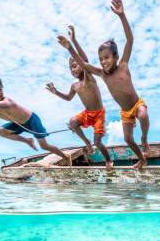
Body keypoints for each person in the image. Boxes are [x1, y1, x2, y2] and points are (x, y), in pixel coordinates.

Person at [57, 0, 150, 169]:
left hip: (137, 104)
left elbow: (130, 39)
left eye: (106, 58)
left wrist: (122, 15)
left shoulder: (123, 65)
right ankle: (142, 159)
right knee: (128, 139)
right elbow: (84, 64)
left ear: (115, 57)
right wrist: (69, 48)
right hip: (125, 112)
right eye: (100, 59)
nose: (103, 62)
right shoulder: (102, 74)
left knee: (143, 115)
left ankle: (144, 138)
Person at [47, 25, 113, 170]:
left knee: (98, 142)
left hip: (99, 114)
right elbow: (68, 98)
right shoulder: (75, 86)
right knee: (73, 122)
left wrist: (73, 42)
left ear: (82, 66)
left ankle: (108, 160)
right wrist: (55, 91)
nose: (73, 69)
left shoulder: (88, 77)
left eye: (75, 66)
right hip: (87, 113)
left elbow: (83, 59)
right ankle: (87, 143)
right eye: (70, 68)